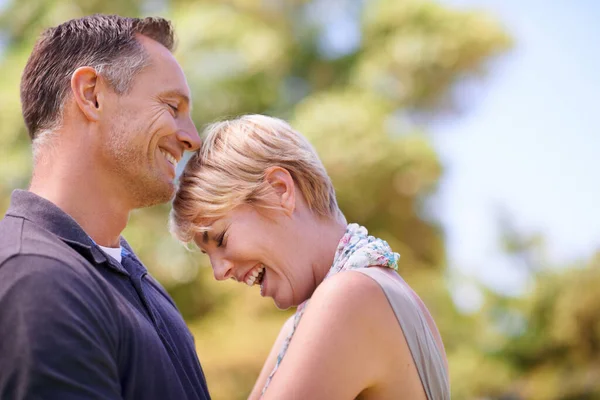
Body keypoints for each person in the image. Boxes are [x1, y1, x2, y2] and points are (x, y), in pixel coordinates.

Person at [0, 14, 211, 399]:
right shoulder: (37, 278)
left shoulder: (138, 282)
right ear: (91, 94)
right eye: (171, 106)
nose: (192, 138)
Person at [170, 114, 450, 399]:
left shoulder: (351, 296)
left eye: (221, 239)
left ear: (279, 190)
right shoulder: (373, 295)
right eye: (209, 255)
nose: (219, 272)